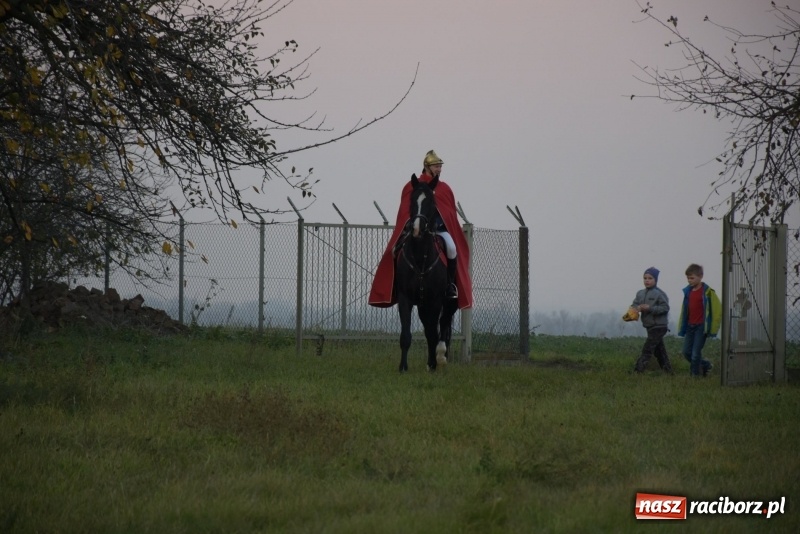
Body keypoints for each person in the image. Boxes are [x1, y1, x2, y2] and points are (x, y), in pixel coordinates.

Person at [368, 150, 473, 310]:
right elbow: (405, 210)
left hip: (437, 230)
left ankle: (450, 285)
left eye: (440, 166)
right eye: (436, 166)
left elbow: (450, 213)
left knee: (452, 248)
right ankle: (395, 286)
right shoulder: (412, 186)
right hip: (416, 230)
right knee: (395, 250)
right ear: (427, 166)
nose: (439, 169)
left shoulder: (444, 188)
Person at [677, 263, 722, 377]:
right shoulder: (688, 292)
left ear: (700, 276)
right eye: (688, 278)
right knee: (686, 352)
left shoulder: (708, 292)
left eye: (692, 278)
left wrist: (713, 327)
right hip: (690, 326)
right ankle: (706, 365)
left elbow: (717, 310)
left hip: (701, 327)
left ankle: (695, 376)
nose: (689, 280)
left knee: (695, 353)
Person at [631, 267, 673, 374]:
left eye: (650, 278)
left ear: (656, 280)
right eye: (645, 278)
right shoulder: (640, 293)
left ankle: (638, 371)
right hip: (649, 326)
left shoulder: (659, 294)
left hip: (659, 326)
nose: (647, 280)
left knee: (647, 349)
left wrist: (650, 308)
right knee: (659, 351)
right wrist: (634, 310)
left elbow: (665, 308)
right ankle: (668, 371)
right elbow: (634, 305)